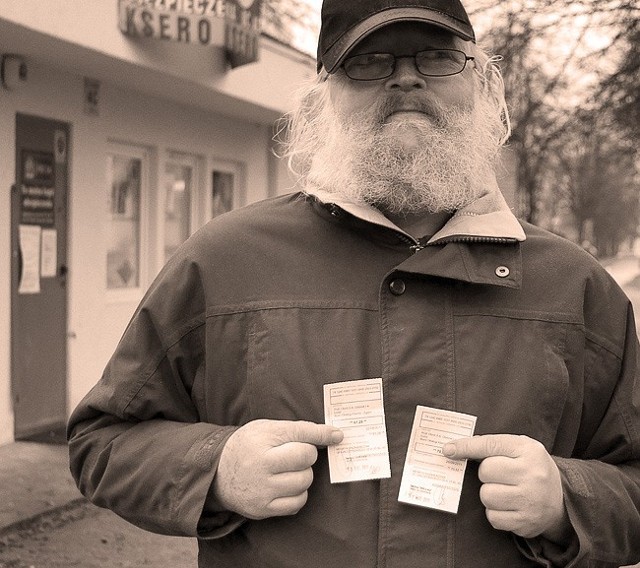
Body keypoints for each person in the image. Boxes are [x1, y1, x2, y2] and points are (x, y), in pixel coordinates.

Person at [67, 0, 640, 566]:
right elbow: (102, 440)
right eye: (370, 62)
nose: (406, 80)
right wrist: (215, 467)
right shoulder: (223, 262)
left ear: (485, 85)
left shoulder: (575, 288)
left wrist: (569, 499)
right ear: (323, 98)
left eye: (437, 57)